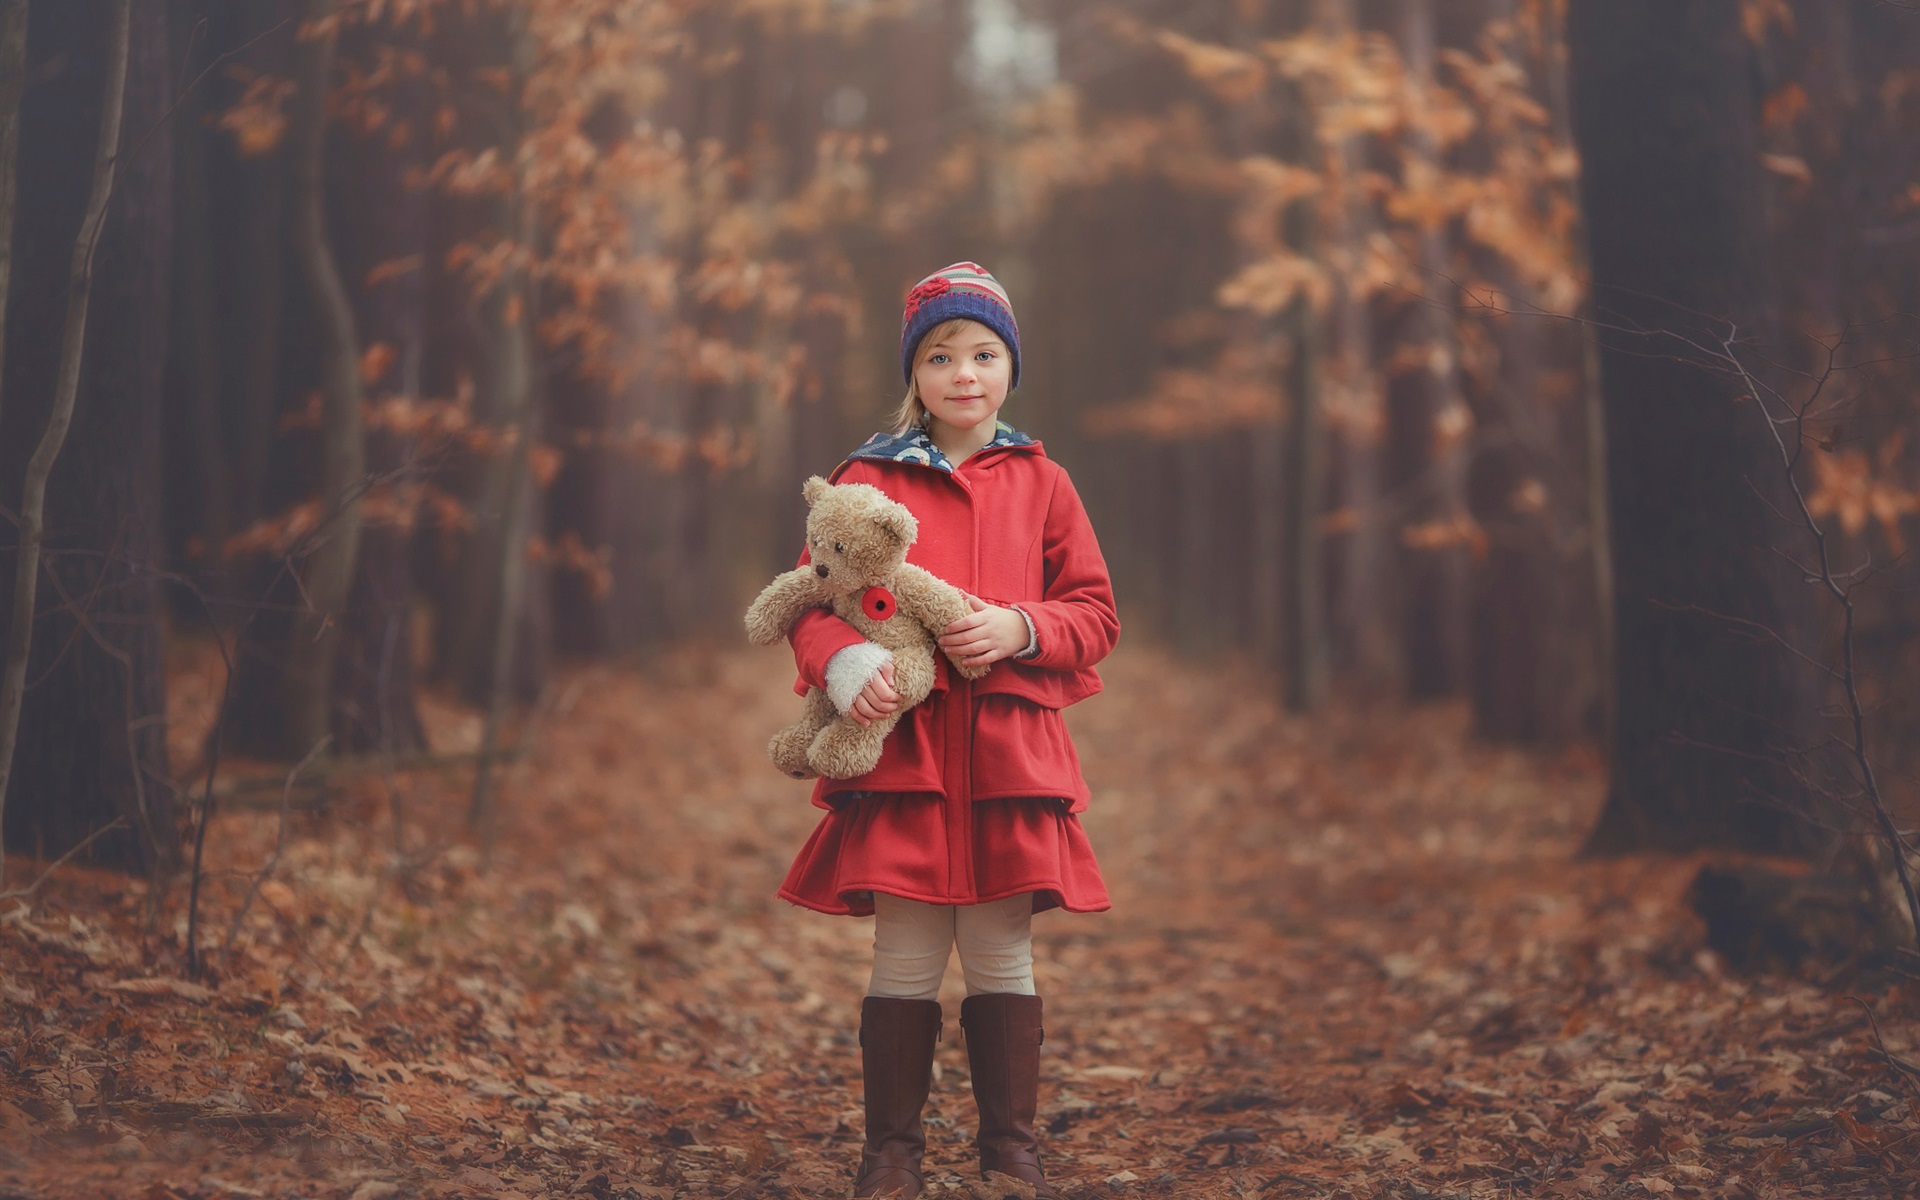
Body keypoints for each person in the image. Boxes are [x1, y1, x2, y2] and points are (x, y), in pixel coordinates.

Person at [775, 262, 1119, 1199]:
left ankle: (1011, 1151)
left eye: (984, 354)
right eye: (941, 357)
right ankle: (891, 1152)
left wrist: (1024, 627)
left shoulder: (1044, 480)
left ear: (1010, 367)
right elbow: (809, 600)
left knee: (1003, 948)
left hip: (1011, 752)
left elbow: (1094, 612)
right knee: (909, 952)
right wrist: (842, 662)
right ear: (914, 374)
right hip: (906, 756)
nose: (964, 374)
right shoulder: (864, 476)